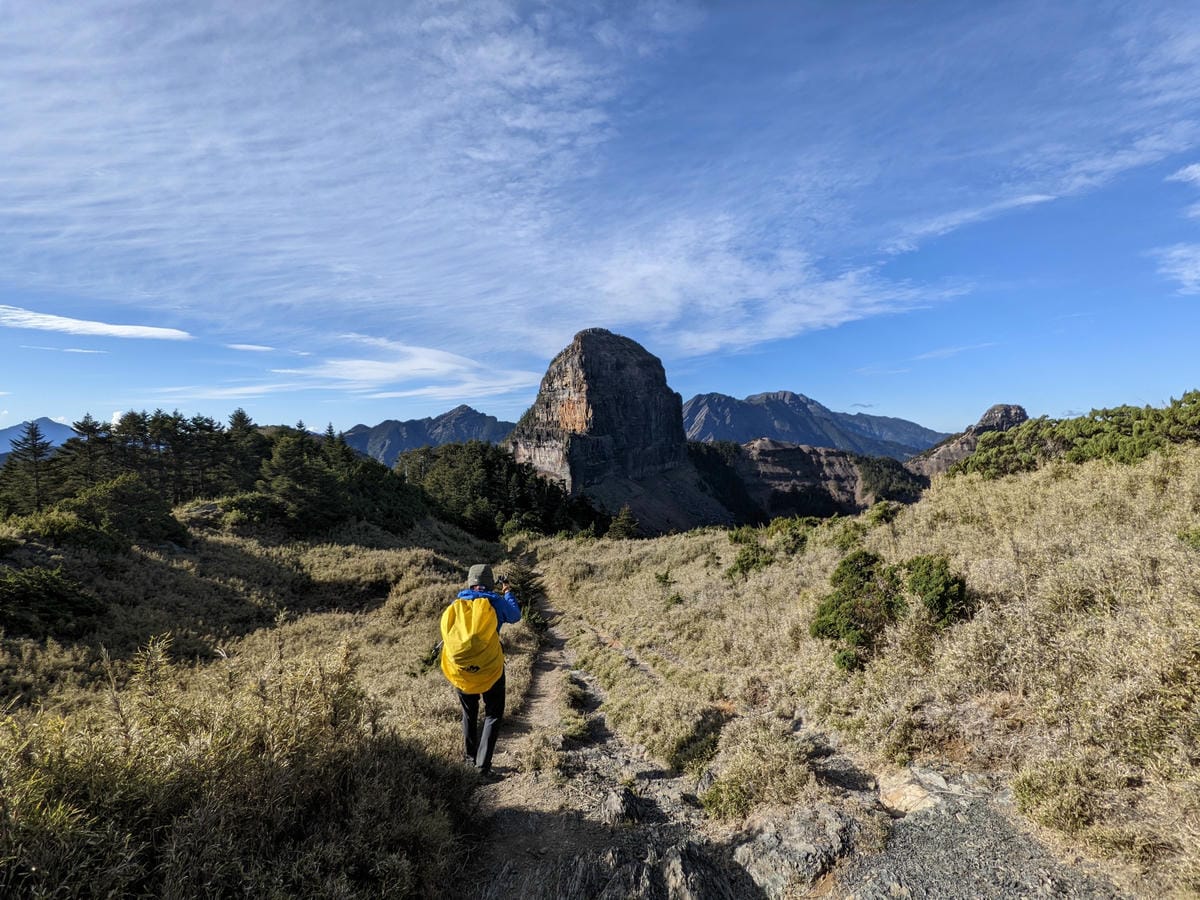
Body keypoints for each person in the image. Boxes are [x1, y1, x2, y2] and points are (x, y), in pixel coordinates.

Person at [440, 563, 521, 777]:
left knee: (469, 713)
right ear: (489, 583)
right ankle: (482, 768)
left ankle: (469, 760)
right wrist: (507, 590)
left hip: (462, 671)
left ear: (470, 582)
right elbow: (515, 615)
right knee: (493, 714)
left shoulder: (457, 603)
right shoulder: (496, 602)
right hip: (490, 669)